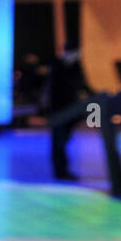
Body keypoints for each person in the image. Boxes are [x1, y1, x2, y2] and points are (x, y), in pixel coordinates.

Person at [43, 49, 90, 180]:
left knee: (63, 141)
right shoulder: (57, 67)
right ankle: (60, 171)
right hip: (59, 112)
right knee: (58, 142)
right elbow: (54, 91)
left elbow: (82, 85)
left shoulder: (75, 66)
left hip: (70, 111)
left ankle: (63, 170)